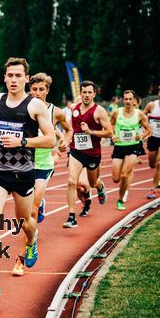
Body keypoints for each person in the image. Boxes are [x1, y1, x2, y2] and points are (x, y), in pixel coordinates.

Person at [0, 57, 55, 303]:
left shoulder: (35, 106)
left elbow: (51, 139)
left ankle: (31, 241)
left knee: (27, 223)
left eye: (18, 76)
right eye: (9, 75)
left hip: (23, 173)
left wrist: (23, 142)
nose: (13, 80)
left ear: (25, 78)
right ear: (4, 77)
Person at [12, 72, 71, 277]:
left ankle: (23, 255)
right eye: (34, 89)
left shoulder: (56, 112)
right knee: (21, 216)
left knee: (32, 211)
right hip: (23, 164)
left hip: (43, 164)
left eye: (41, 89)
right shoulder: (24, 108)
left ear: (47, 90)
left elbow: (67, 130)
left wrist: (63, 143)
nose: (37, 93)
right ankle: (37, 212)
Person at [63, 81, 114, 228]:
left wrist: (91, 132)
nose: (86, 95)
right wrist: (66, 141)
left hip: (92, 154)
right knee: (72, 182)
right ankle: (71, 217)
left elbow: (110, 132)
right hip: (76, 152)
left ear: (94, 94)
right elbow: (70, 128)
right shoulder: (74, 109)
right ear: (80, 93)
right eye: (84, 92)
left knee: (91, 183)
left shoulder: (99, 111)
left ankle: (99, 186)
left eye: (89, 92)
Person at [110, 90, 151, 210]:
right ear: (123, 100)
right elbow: (110, 125)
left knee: (124, 175)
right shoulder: (117, 113)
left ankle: (120, 200)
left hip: (133, 147)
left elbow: (148, 129)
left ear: (134, 100)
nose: (128, 101)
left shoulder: (139, 114)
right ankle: (122, 191)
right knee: (116, 179)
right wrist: (113, 135)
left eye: (130, 99)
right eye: (126, 99)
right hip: (119, 147)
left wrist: (142, 136)